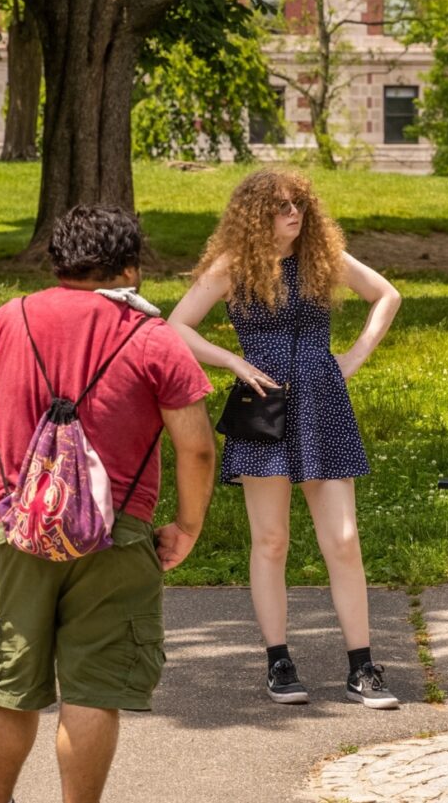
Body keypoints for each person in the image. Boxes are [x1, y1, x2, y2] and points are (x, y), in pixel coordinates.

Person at [0, 205, 218, 803]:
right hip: (117, 536)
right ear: (130, 265)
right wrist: (187, 526)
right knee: (93, 690)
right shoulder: (154, 338)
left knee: (10, 683)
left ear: (58, 259)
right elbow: (196, 449)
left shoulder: (6, 321)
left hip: (21, 528)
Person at [168, 168, 403, 709]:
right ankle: (279, 660)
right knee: (270, 541)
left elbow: (386, 295)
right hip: (265, 407)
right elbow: (176, 325)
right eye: (279, 206)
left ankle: (362, 667)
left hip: (322, 401)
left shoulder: (322, 259)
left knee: (343, 539)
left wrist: (354, 357)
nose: (292, 213)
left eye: (298, 204)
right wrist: (231, 360)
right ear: (256, 214)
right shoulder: (233, 266)